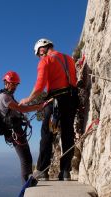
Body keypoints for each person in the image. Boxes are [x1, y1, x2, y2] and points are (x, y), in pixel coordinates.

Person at [20, 38, 79, 181]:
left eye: (39, 54)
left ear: (42, 49)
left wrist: (26, 100)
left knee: (47, 135)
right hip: (71, 100)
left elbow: (39, 87)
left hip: (55, 102)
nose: (39, 57)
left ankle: (42, 170)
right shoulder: (69, 59)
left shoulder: (45, 61)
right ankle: (65, 172)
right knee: (68, 134)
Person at [0, 71, 47, 185]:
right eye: (12, 83)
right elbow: (21, 109)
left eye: (15, 84)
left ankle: (28, 182)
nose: (14, 86)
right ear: (6, 83)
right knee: (25, 159)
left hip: (16, 130)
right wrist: (38, 107)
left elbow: (20, 108)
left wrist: (27, 115)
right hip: (14, 131)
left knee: (27, 157)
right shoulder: (4, 97)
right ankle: (27, 184)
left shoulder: (9, 96)